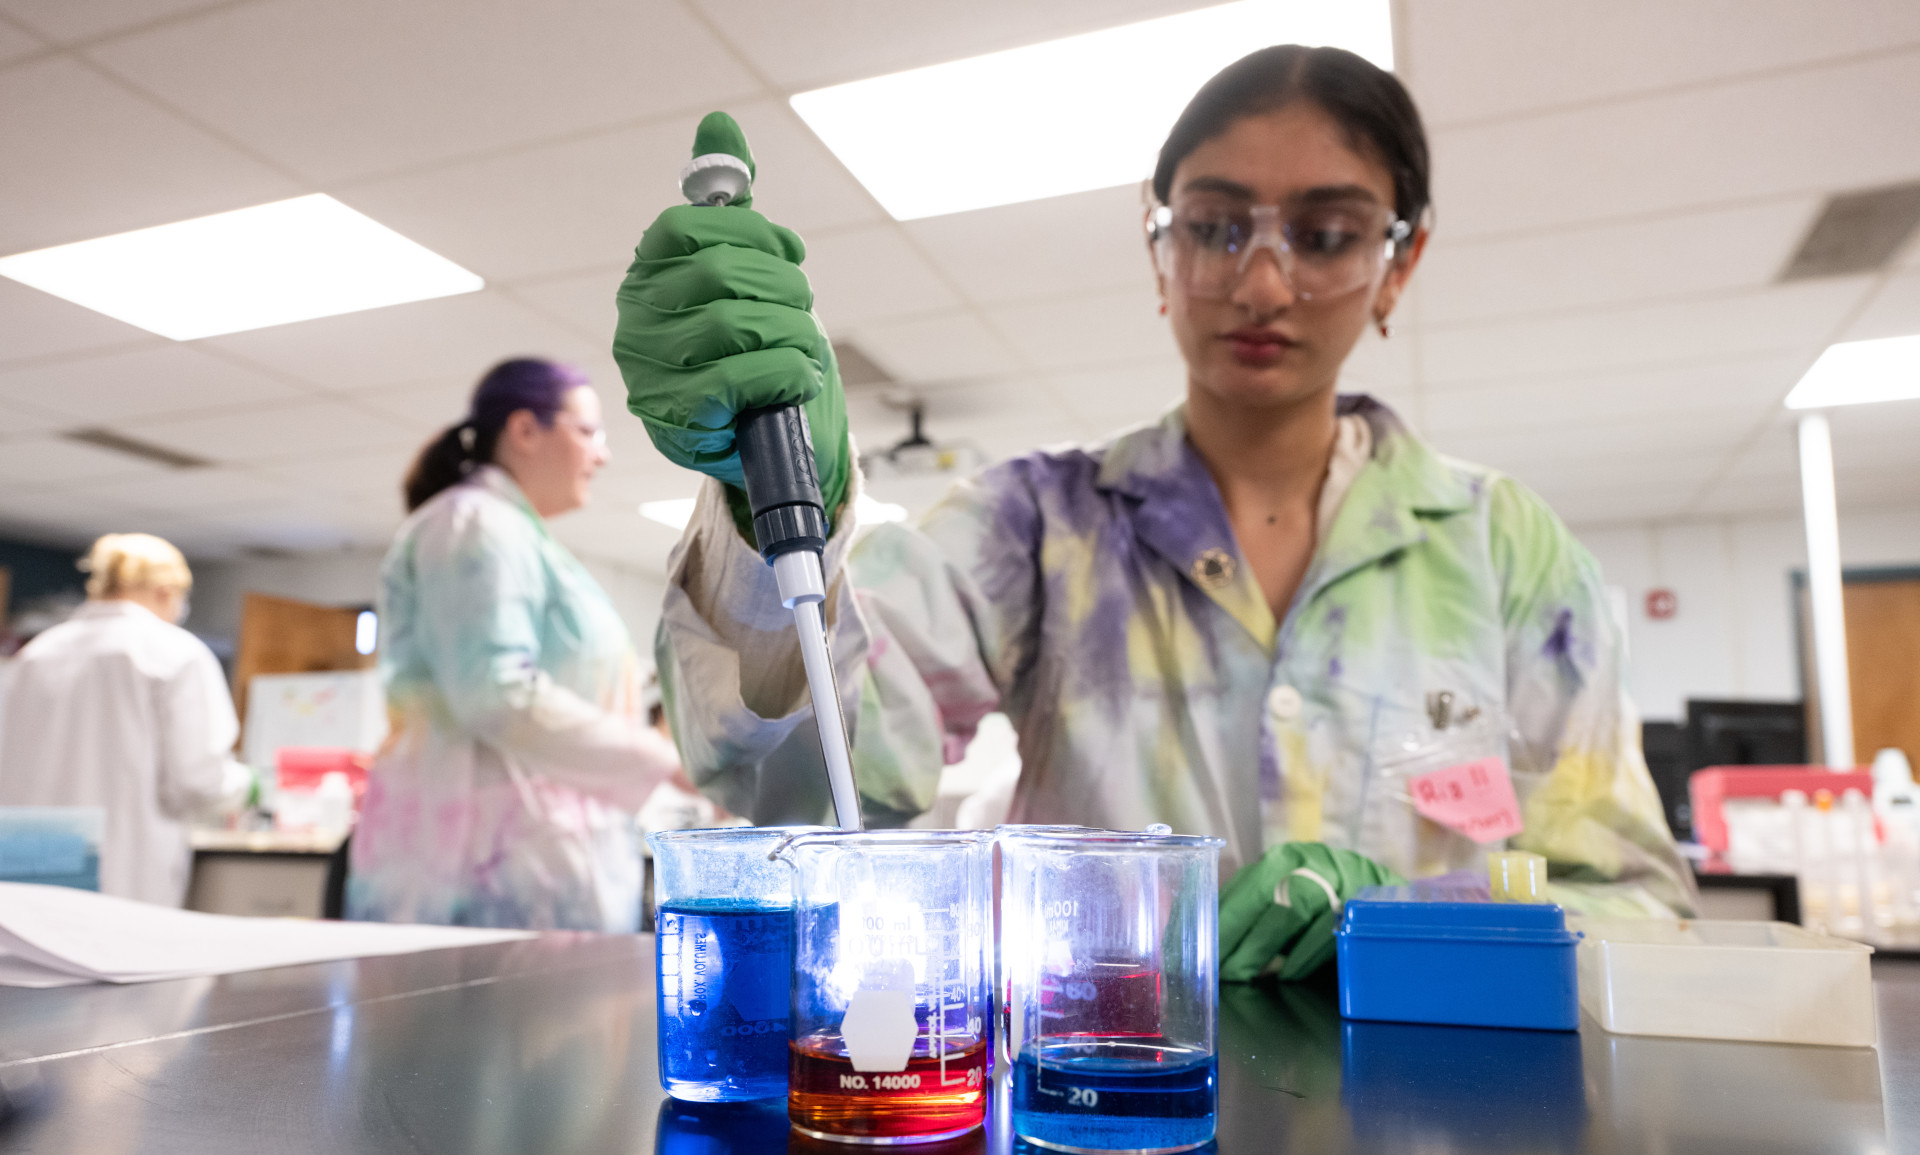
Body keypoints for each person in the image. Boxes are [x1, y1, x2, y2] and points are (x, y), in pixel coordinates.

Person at [614, 48, 1697, 978]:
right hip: (1098, 1128)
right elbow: (802, 793)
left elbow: (1639, 909)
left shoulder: (1503, 548)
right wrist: (771, 518)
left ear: (1397, 263)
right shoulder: (1036, 525)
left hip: (1440, 1148)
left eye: (1324, 234)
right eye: (1218, 226)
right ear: (1158, 246)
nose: (1264, 284)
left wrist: (1414, 921)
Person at [349, 358, 681, 931]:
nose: (601, 455)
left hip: (524, 857)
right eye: (587, 432)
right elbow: (495, 692)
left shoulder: (515, 535)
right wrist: (668, 762)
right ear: (525, 430)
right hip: (481, 869)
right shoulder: (473, 525)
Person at [0, 533, 253, 906]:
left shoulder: (34, 655)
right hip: (121, 865)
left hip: (29, 858)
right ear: (166, 591)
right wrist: (247, 785)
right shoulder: (175, 653)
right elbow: (197, 782)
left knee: (30, 957)